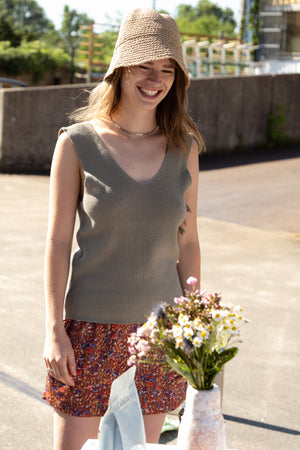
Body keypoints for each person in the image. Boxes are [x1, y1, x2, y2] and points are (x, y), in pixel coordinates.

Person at [43, 8, 203, 450]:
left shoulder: (184, 147)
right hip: (89, 332)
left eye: (167, 69)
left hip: (159, 333)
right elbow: (57, 242)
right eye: (145, 66)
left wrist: (191, 327)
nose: (156, 79)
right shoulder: (76, 143)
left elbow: (187, 243)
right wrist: (54, 329)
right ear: (120, 68)